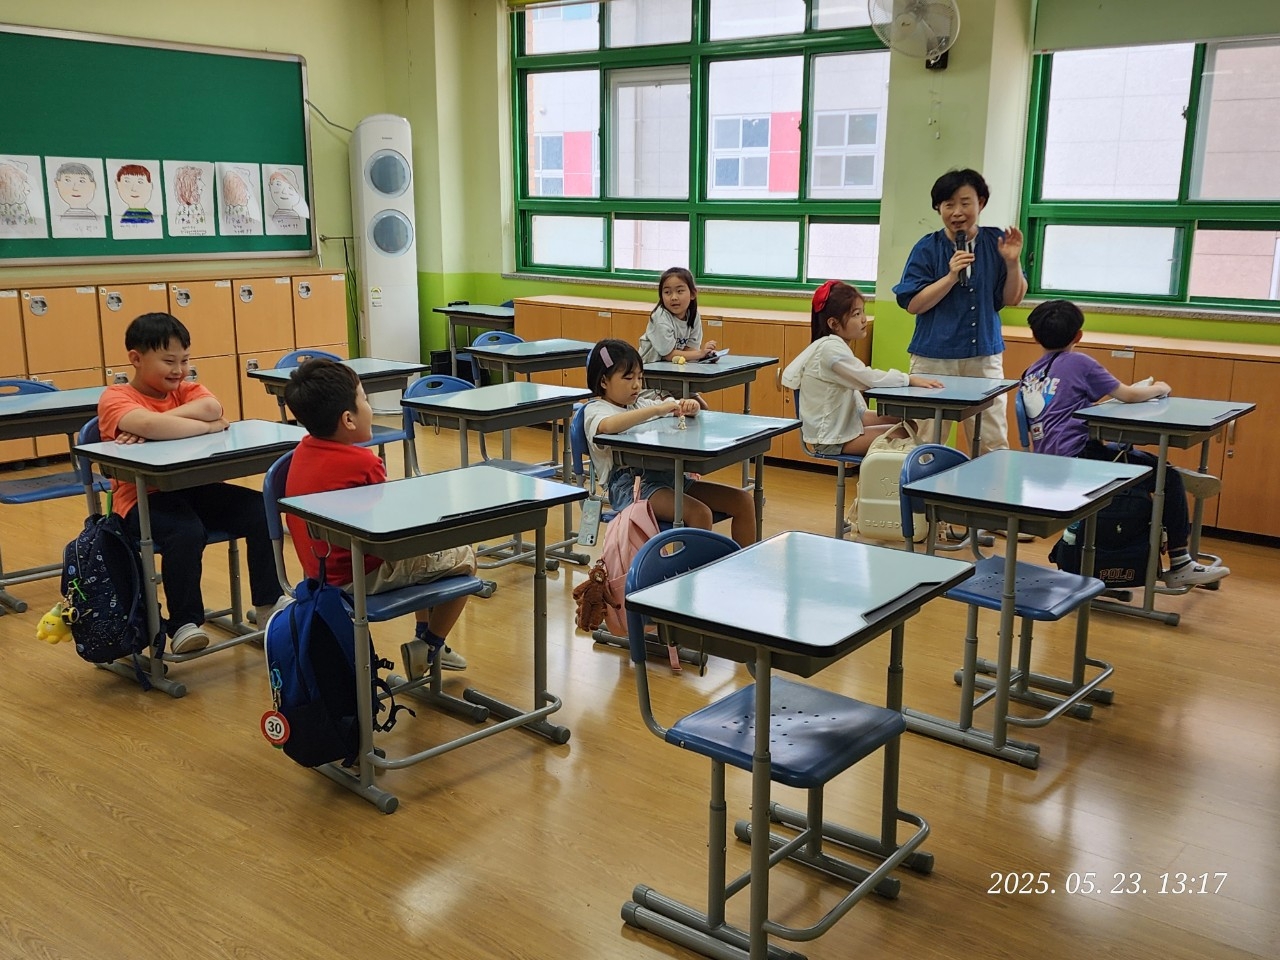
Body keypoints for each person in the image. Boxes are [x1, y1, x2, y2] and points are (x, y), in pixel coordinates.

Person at [97, 313, 287, 654]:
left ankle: (268, 605)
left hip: (195, 488)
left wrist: (165, 423)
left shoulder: (185, 390)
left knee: (261, 509)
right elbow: (153, 426)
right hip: (142, 500)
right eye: (169, 361)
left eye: (184, 361)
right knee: (185, 531)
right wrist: (204, 426)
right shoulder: (115, 397)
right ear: (136, 359)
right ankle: (184, 623)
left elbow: (212, 407)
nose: (179, 370)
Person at [282, 358, 475, 674]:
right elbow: (394, 529)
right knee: (464, 557)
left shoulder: (302, 451)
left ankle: (423, 639)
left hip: (318, 572)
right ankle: (429, 646)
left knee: (427, 555)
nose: (369, 408)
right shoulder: (362, 463)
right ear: (348, 419)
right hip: (358, 575)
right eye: (365, 400)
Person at [1021, 299, 1229, 588]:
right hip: (1079, 463)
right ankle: (1181, 563)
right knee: (1165, 476)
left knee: (1138, 461)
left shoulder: (1032, 371)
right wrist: (1159, 388)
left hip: (1047, 465)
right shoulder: (1079, 362)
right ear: (1078, 335)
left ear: (1034, 336)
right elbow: (1128, 395)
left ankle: (1170, 478)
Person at [893, 168, 1027, 456]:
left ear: (981, 203)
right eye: (948, 204)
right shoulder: (927, 248)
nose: (957, 212)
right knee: (926, 440)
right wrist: (951, 276)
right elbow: (913, 304)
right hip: (934, 359)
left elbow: (1013, 298)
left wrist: (1012, 263)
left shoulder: (997, 242)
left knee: (992, 438)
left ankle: (988, 486)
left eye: (965, 203)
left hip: (983, 356)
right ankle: (923, 486)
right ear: (938, 208)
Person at [582, 339, 757, 546]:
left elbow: (672, 407)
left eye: (640, 377)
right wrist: (657, 409)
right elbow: (608, 425)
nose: (637, 384)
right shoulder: (595, 409)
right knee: (700, 514)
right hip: (629, 487)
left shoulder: (638, 403)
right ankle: (691, 568)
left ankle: (745, 563)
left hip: (665, 476)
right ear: (604, 381)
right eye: (628, 378)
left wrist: (689, 407)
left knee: (743, 501)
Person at [781, 280, 942, 456]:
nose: (864, 319)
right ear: (834, 324)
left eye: (863, 311)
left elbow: (862, 388)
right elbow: (867, 379)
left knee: (909, 424)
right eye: (856, 314)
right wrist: (908, 379)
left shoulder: (833, 345)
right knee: (904, 432)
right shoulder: (830, 350)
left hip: (845, 422)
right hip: (830, 438)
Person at [639, 267, 718, 363]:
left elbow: (689, 350)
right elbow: (668, 355)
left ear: (693, 294)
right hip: (650, 366)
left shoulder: (694, 316)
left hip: (674, 366)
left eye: (680, 291)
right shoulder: (660, 317)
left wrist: (706, 356)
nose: (674, 297)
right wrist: (700, 353)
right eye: (667, 292)